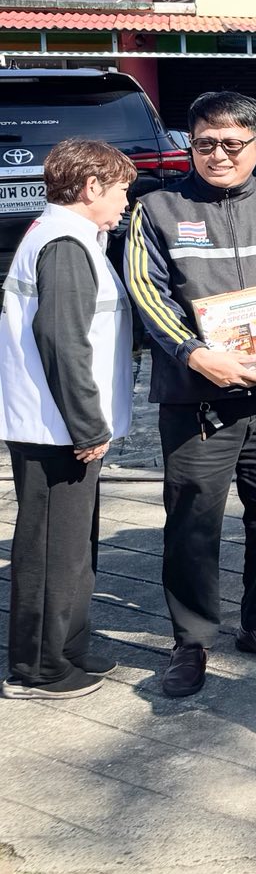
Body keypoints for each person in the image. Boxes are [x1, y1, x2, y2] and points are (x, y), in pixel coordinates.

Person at [126, 91, 256, 699]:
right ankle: (191, 642)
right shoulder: (158, 208)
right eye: (204, 143)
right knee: (193, 519)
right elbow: (147, 289)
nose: (217, 155)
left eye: (232, 144)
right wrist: (195, 354)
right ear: (189, 144)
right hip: (198, 397)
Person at [0, 140, 135, 698]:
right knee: (55, 549)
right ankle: (40, 669)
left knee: (71, 547)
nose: (127, 200)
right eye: (122, 188)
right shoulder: (65, 244)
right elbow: (61, 341)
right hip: (60, 430)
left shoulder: (66, 236)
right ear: (91, 187)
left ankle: (67, 651)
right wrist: (88, 427)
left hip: (58, 425)